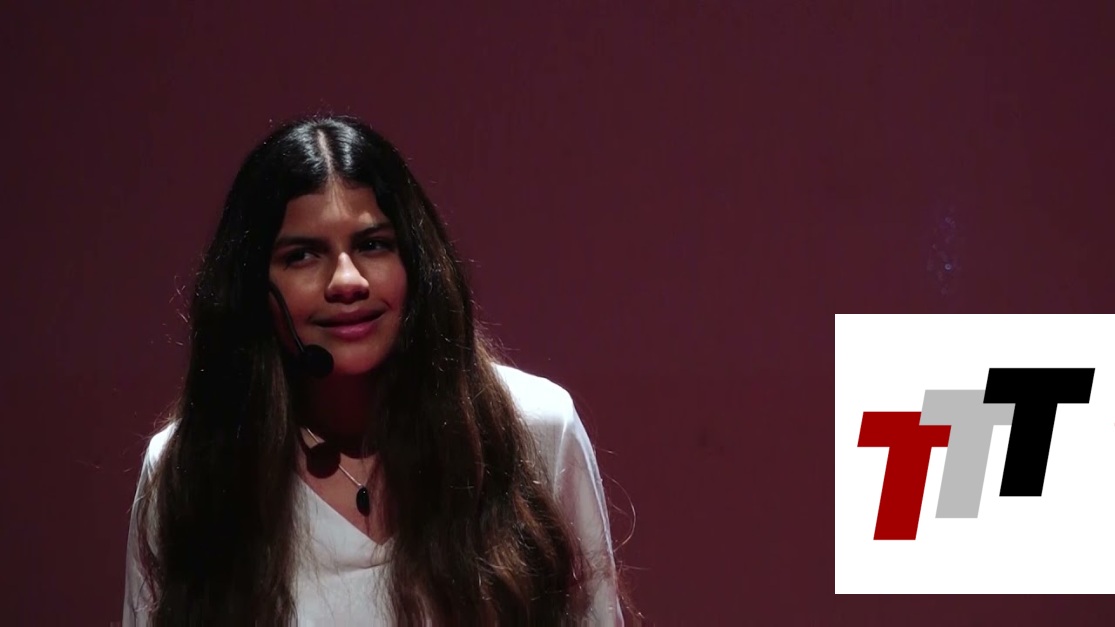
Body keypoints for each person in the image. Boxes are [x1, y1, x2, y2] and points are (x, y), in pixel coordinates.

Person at [122, 115, 628, 625]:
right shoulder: (188, 466)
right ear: (251, 288)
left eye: (372, 245)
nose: (347, 281)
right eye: (303, 255)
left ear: (417, 264)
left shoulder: (536, 429)